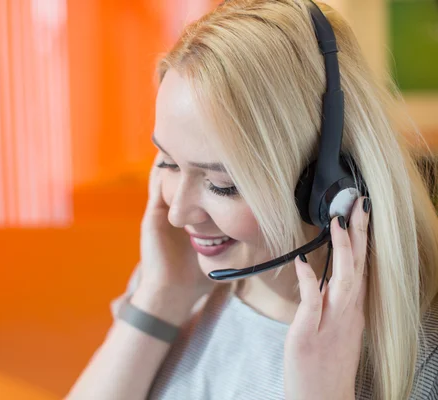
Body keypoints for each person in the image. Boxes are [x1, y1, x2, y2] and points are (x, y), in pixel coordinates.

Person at [66, 1, 438, 399]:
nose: (177, 214)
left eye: (222, 185)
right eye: (168, 163)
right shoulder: (184, 272)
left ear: (326, 184)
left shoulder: (420, 356)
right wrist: (160, 297)